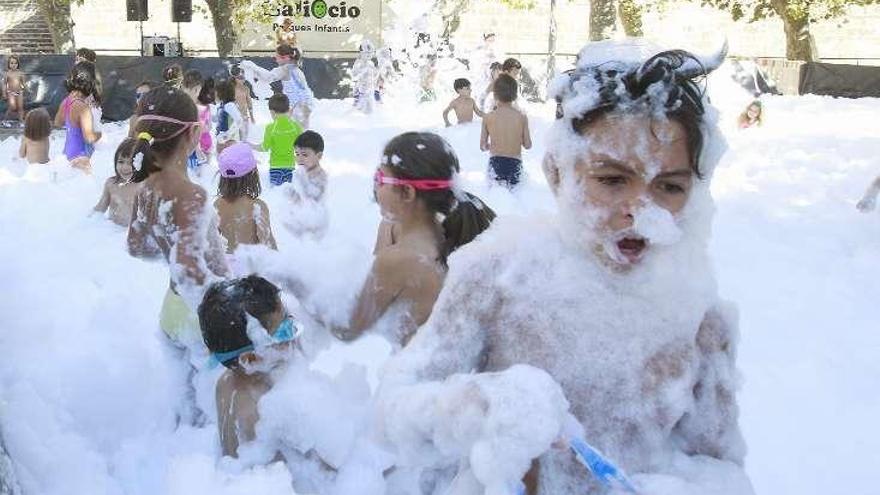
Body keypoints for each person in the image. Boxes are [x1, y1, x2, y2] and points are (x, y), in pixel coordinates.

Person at [379, 40, 751, 495]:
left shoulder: (700, 315)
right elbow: (394, 406)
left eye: (670, 187)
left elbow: (722, 469)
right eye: (612, 180)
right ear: (558, 172)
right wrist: (471, 404)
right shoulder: (497, 274)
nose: (640, 210)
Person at [295, 132, 495, 348]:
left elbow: (346, 327)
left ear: (407, 192)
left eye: (380, 179)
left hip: (418, 378)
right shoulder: (452, 230)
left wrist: (298, 283)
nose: (375, 187)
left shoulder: (400, 259)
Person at [125, 86, 230, 346]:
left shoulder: (146, 186)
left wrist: (170, 244)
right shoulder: (190, 194)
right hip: (201, 317)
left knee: (184, 386)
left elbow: (136, 247)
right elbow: (189, 273)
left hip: (173, 309)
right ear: (194, 132)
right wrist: (234, 306)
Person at [198, 275, 302, 458]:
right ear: (250, 359)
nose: (293, 332)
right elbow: (302, 470)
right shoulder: (256, 409)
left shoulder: (227, 380)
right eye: (284, 330)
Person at [214, 142, 278, 272]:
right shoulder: (257, 207)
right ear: (253, 174)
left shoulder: (217, 205)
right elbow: (268, 244)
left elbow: (212, 242)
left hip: (227, 269)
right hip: (249, 271)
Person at [240, 45, 314, 128]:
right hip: (305, 104)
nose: (275, 59)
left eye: (277, 57)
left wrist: (252, 66)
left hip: (299, 105)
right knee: (299, 131)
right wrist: (253, 71)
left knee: (295, 132)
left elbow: (267, 77)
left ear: (285, 57)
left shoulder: (285, 69)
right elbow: (266, 77)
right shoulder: (295, 68)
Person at [481, 73, 531, 188]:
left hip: (495, 162)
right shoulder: (522, 117)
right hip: (515, 163)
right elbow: (528, 145)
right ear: (515, 95)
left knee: (495, 198)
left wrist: (492, 145)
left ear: (495, 95)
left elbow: (483, 146)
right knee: (514, 197)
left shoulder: (488, 117)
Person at [59, 62, 102, 173]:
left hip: (67, 152)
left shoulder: (66, 101)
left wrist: (75, 123)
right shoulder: (83, 108)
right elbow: (89, 138)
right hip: (81, 155)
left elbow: (58, 122)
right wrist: (99, 134)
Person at [284, 130, 329, 238]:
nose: (299, 158)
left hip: (316, 221)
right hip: (303, 216)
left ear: (319, 156)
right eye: (297, 154)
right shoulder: (301, 172)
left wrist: (298, 197)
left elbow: (315, 198)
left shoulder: (321, 176)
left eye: (304, 155)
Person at [92, 140, 140, 227]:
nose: (125, 167)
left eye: (131, 163)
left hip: (127, 234)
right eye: (121, 161)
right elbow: (100, 209)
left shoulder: (142, 187)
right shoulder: (111, 184)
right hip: (111, 231)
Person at [257, 93, 302, 186]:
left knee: (276, 195)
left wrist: (251, 145)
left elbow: (264, 148)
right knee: (288, 197)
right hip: (290, 167)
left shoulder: (270, 127)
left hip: (275, 167)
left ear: (272, 112)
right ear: (288, 109)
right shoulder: (296, 126)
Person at [182, 70, 210, 176]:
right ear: (196, 89)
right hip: (189, 152)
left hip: (175, 153)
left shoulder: (175, 102)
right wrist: (197, 150)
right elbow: (193, 132)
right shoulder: (193, 108)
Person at [215, 78, 244, 154]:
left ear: (222, 93)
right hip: (222, 140)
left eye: (216, 92)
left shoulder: (229, 105)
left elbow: (239, 120)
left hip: (228, 142)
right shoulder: (222, 105)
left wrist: (227, 134)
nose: (214, 94)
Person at [352, 39, 378, 114]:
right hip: (362, 90)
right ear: (361, 53)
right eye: (367, 53)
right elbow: (354, 75)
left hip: (370, 89)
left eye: (371, 53)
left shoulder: (371, 63)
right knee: (363, 110)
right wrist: (362, 71)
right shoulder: (358, 63)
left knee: (371, 109)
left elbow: (374, 74)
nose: (369, 55)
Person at [230, 66, 256, 140]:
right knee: (233, 138)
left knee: (244, 138)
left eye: (244, 77)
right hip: (233, 117)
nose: (243, 80)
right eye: (240, 78)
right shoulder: (231, 88)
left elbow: (249, 103)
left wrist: (252, 116)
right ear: (235, 78)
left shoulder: (246, 89)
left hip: (244, 116)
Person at [3, 55, 25, 125]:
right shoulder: (7, 74)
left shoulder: (21, 73)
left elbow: (23, 83)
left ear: (18, 64)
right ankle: (5, 120)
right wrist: (4, 93)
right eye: (11, 63)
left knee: (20, 107)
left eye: (15, 63)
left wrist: (25, 88)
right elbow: (4, 84)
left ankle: (21, 121)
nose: (13, 65)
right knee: (12, 106)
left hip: (19, 92)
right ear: (9, 64)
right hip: (11, 92)